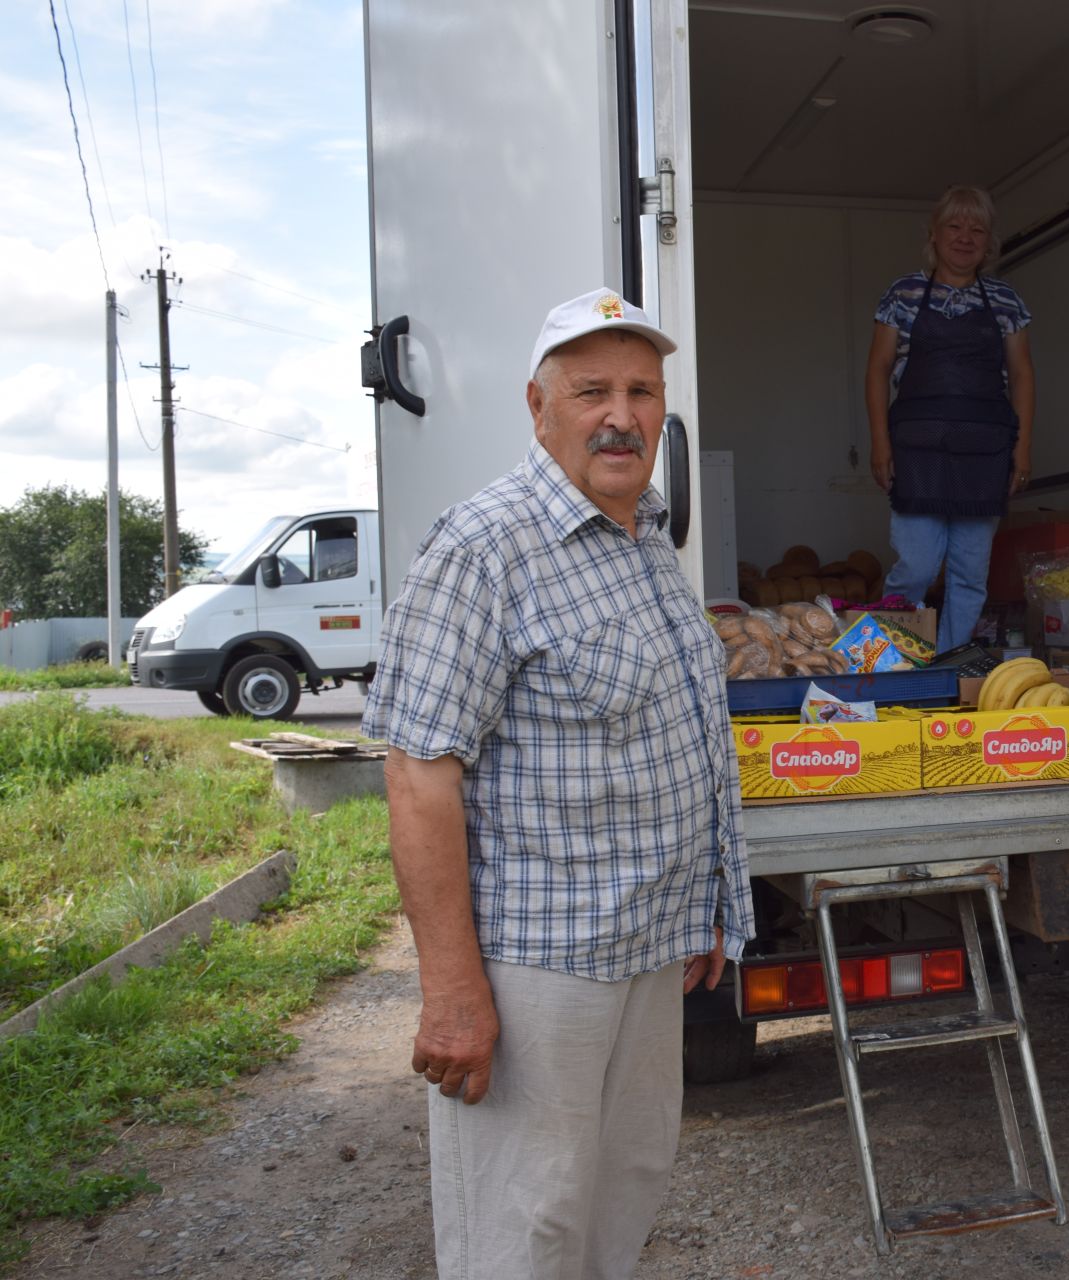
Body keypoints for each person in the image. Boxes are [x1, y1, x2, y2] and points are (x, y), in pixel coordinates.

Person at [363, 288, 754, 1280]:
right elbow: (417, 773)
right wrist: (452, 991)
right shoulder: (483, 547)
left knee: (619, 1196)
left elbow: (679, 740)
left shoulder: (648, 539)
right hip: (538, 965)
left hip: (648, 945)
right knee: (523, 1230)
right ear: (537, 407)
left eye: (642, 390)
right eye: (592, 391)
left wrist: (707, 898)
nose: (621, 414)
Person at [866, 184, 1036, 653]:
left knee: (969, 573)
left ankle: (945, 663)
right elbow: (878, 371)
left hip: (984, 456)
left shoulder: (1005, 301)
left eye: (977, 229)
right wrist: (880, 443)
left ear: (988, 242)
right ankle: (888, 661)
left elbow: (1022, 376)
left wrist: (1021, 450)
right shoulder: (903, 293)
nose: (965, 237)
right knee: (917, 565)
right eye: (954, 226)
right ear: (934, 235)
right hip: (917, 450)